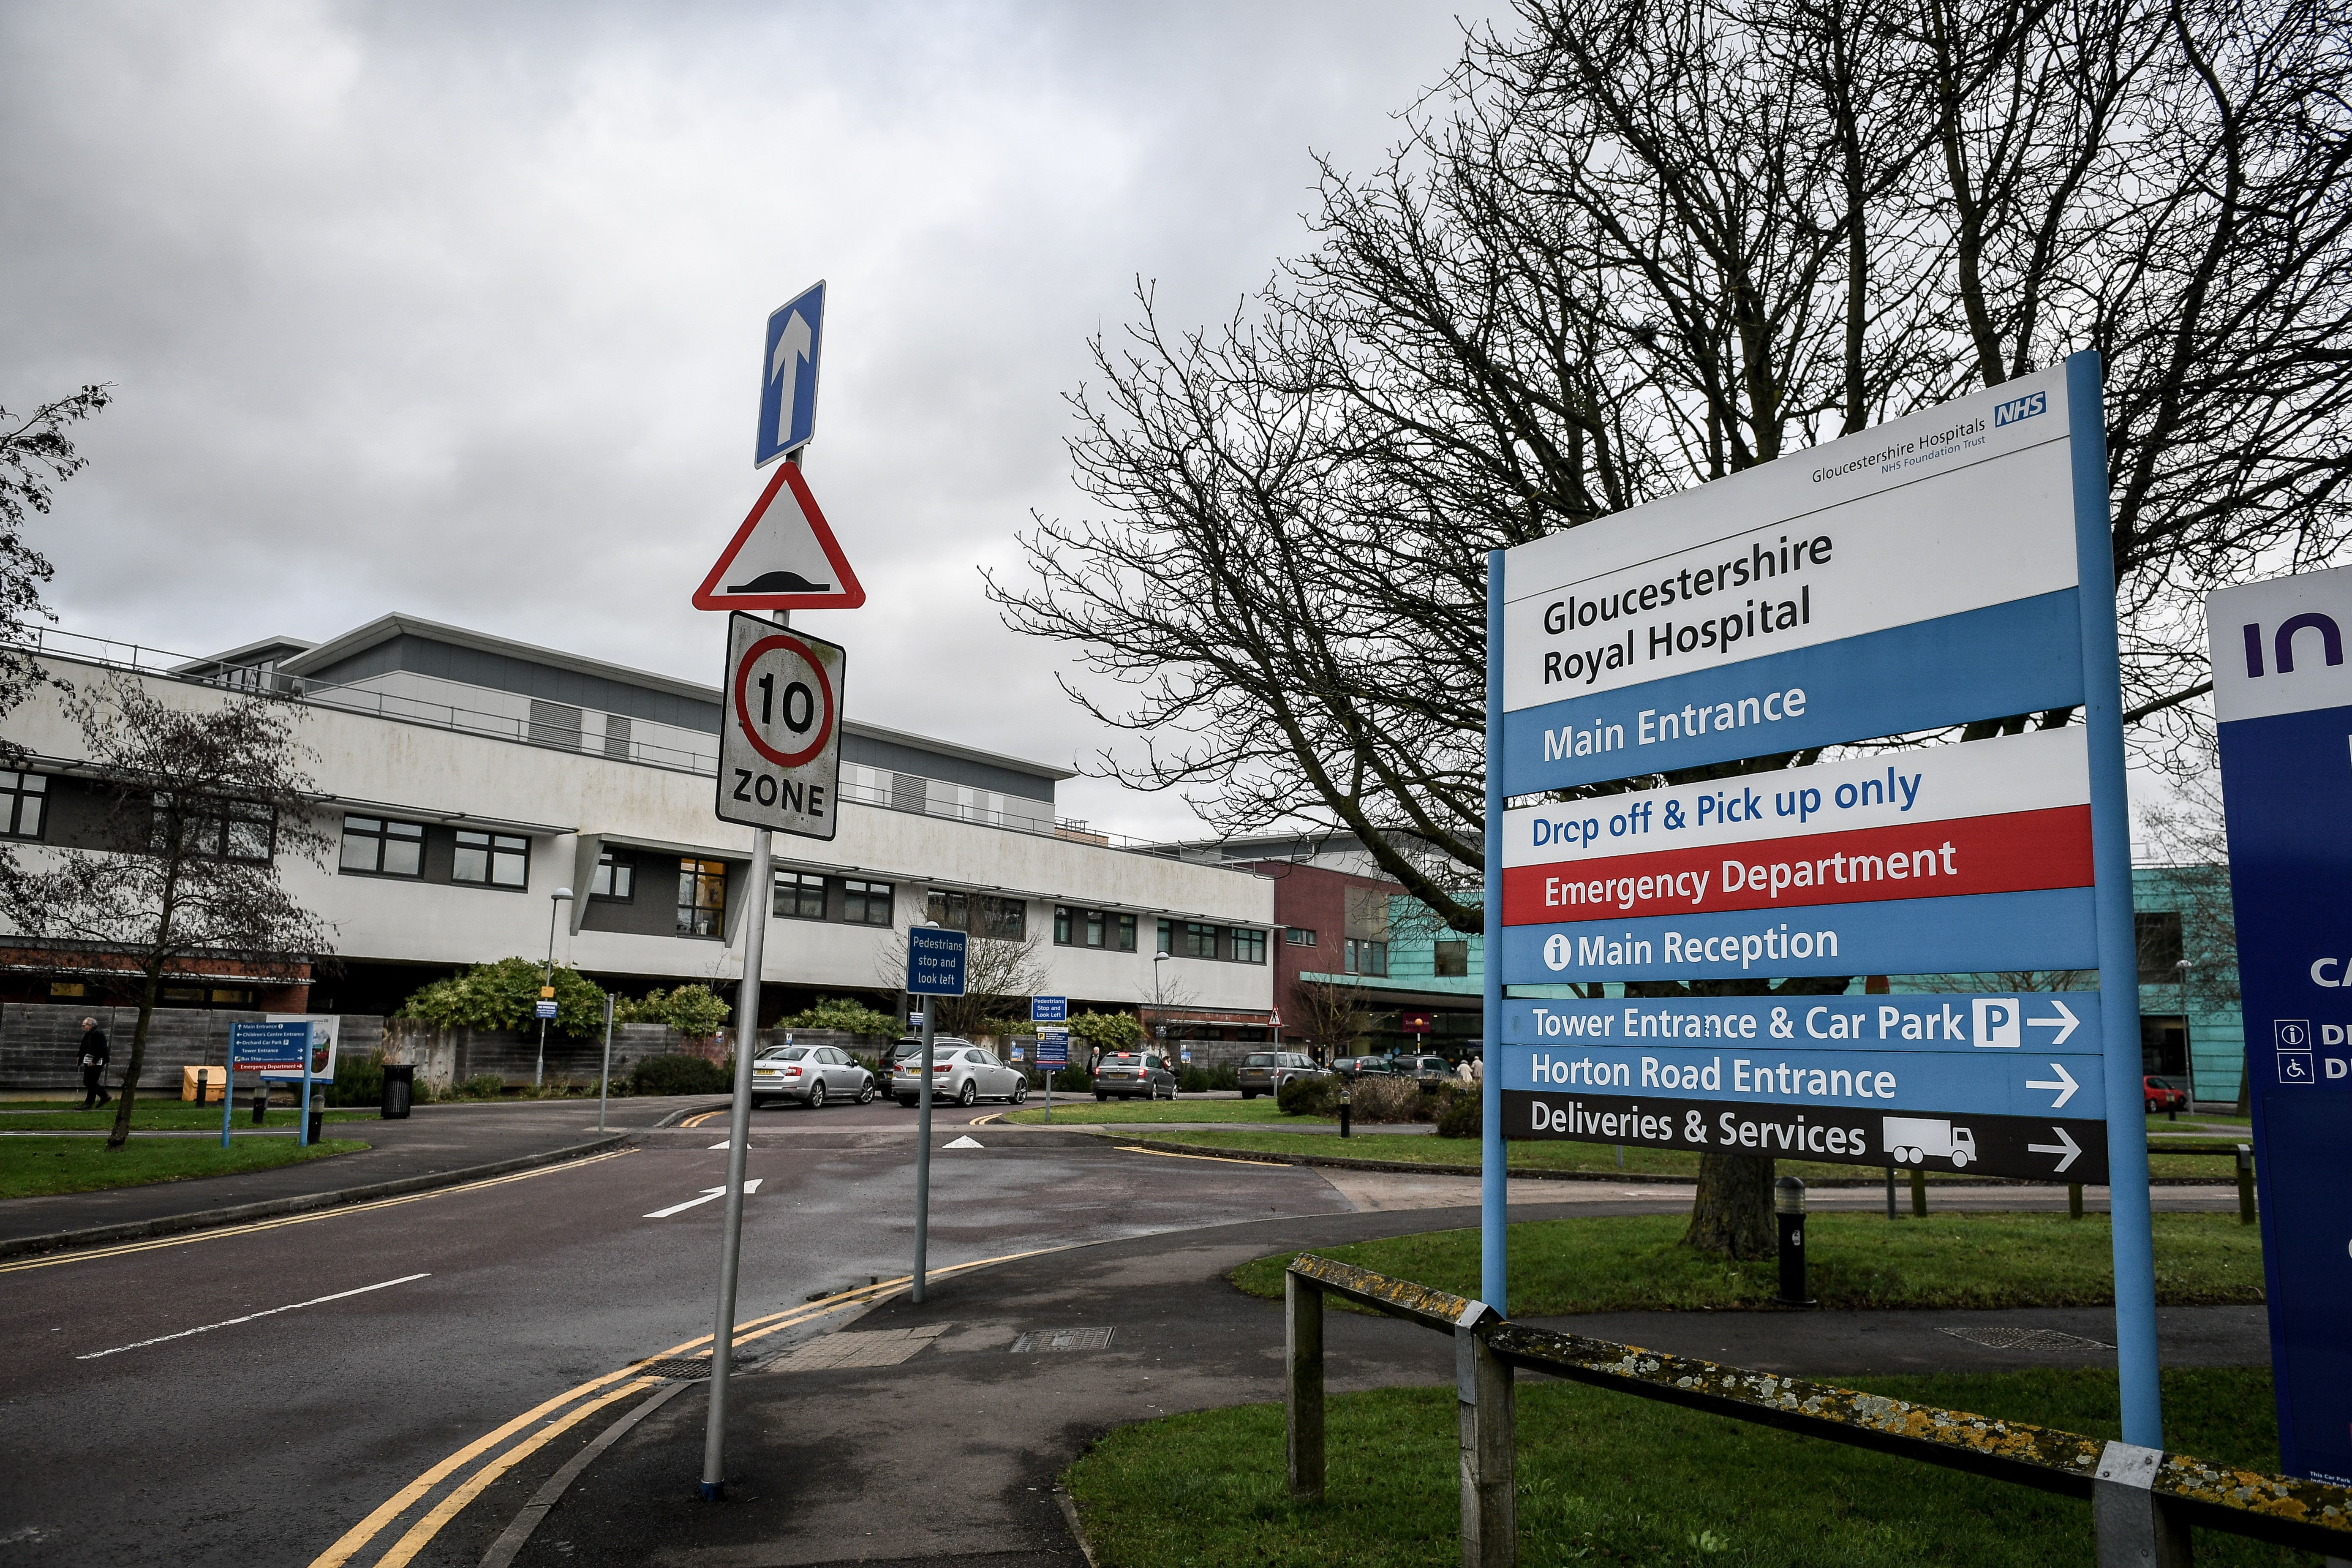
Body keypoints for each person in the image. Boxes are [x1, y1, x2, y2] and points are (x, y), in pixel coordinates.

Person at [79, 1017, 112, 1110]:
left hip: (97, 1061)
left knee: (91, 1081)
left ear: (90, 1026)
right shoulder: (89, 1034)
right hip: (90, 1060)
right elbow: (85, 1047)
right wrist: (80, 1057)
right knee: (89, 1081)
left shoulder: (97, 1034)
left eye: (84, 1026)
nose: (82, 1028)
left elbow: (101, 1049)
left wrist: (95, 1061)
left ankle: (90, 1103)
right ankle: (103, 1096)